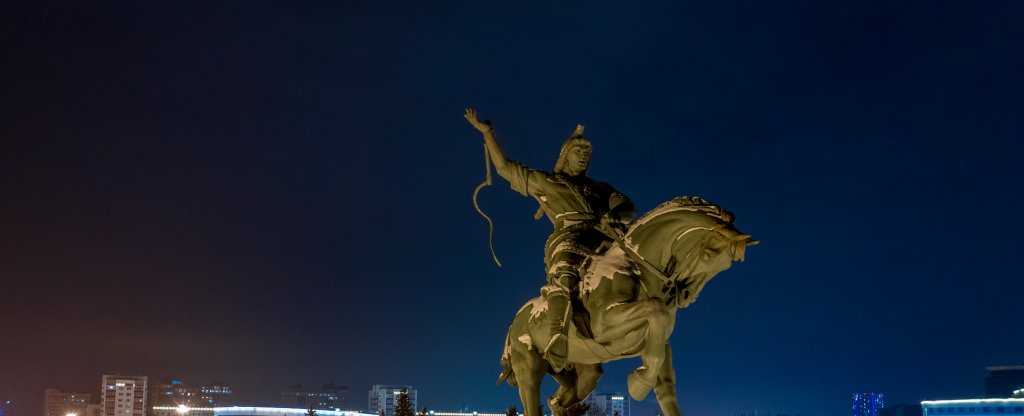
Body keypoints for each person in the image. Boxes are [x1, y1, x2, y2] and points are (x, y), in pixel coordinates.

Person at [465, 107, 635, 372]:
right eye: (578, 152)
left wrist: (615, 216)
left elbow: (627, 206)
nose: (584, 157)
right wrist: (487, 133)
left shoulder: (601, 188)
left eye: (587, 154)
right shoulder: (549, 183)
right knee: (565, 267)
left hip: (604, 238)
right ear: (565, 155)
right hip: (569, 238)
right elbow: (504, 168)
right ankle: (557, 334)